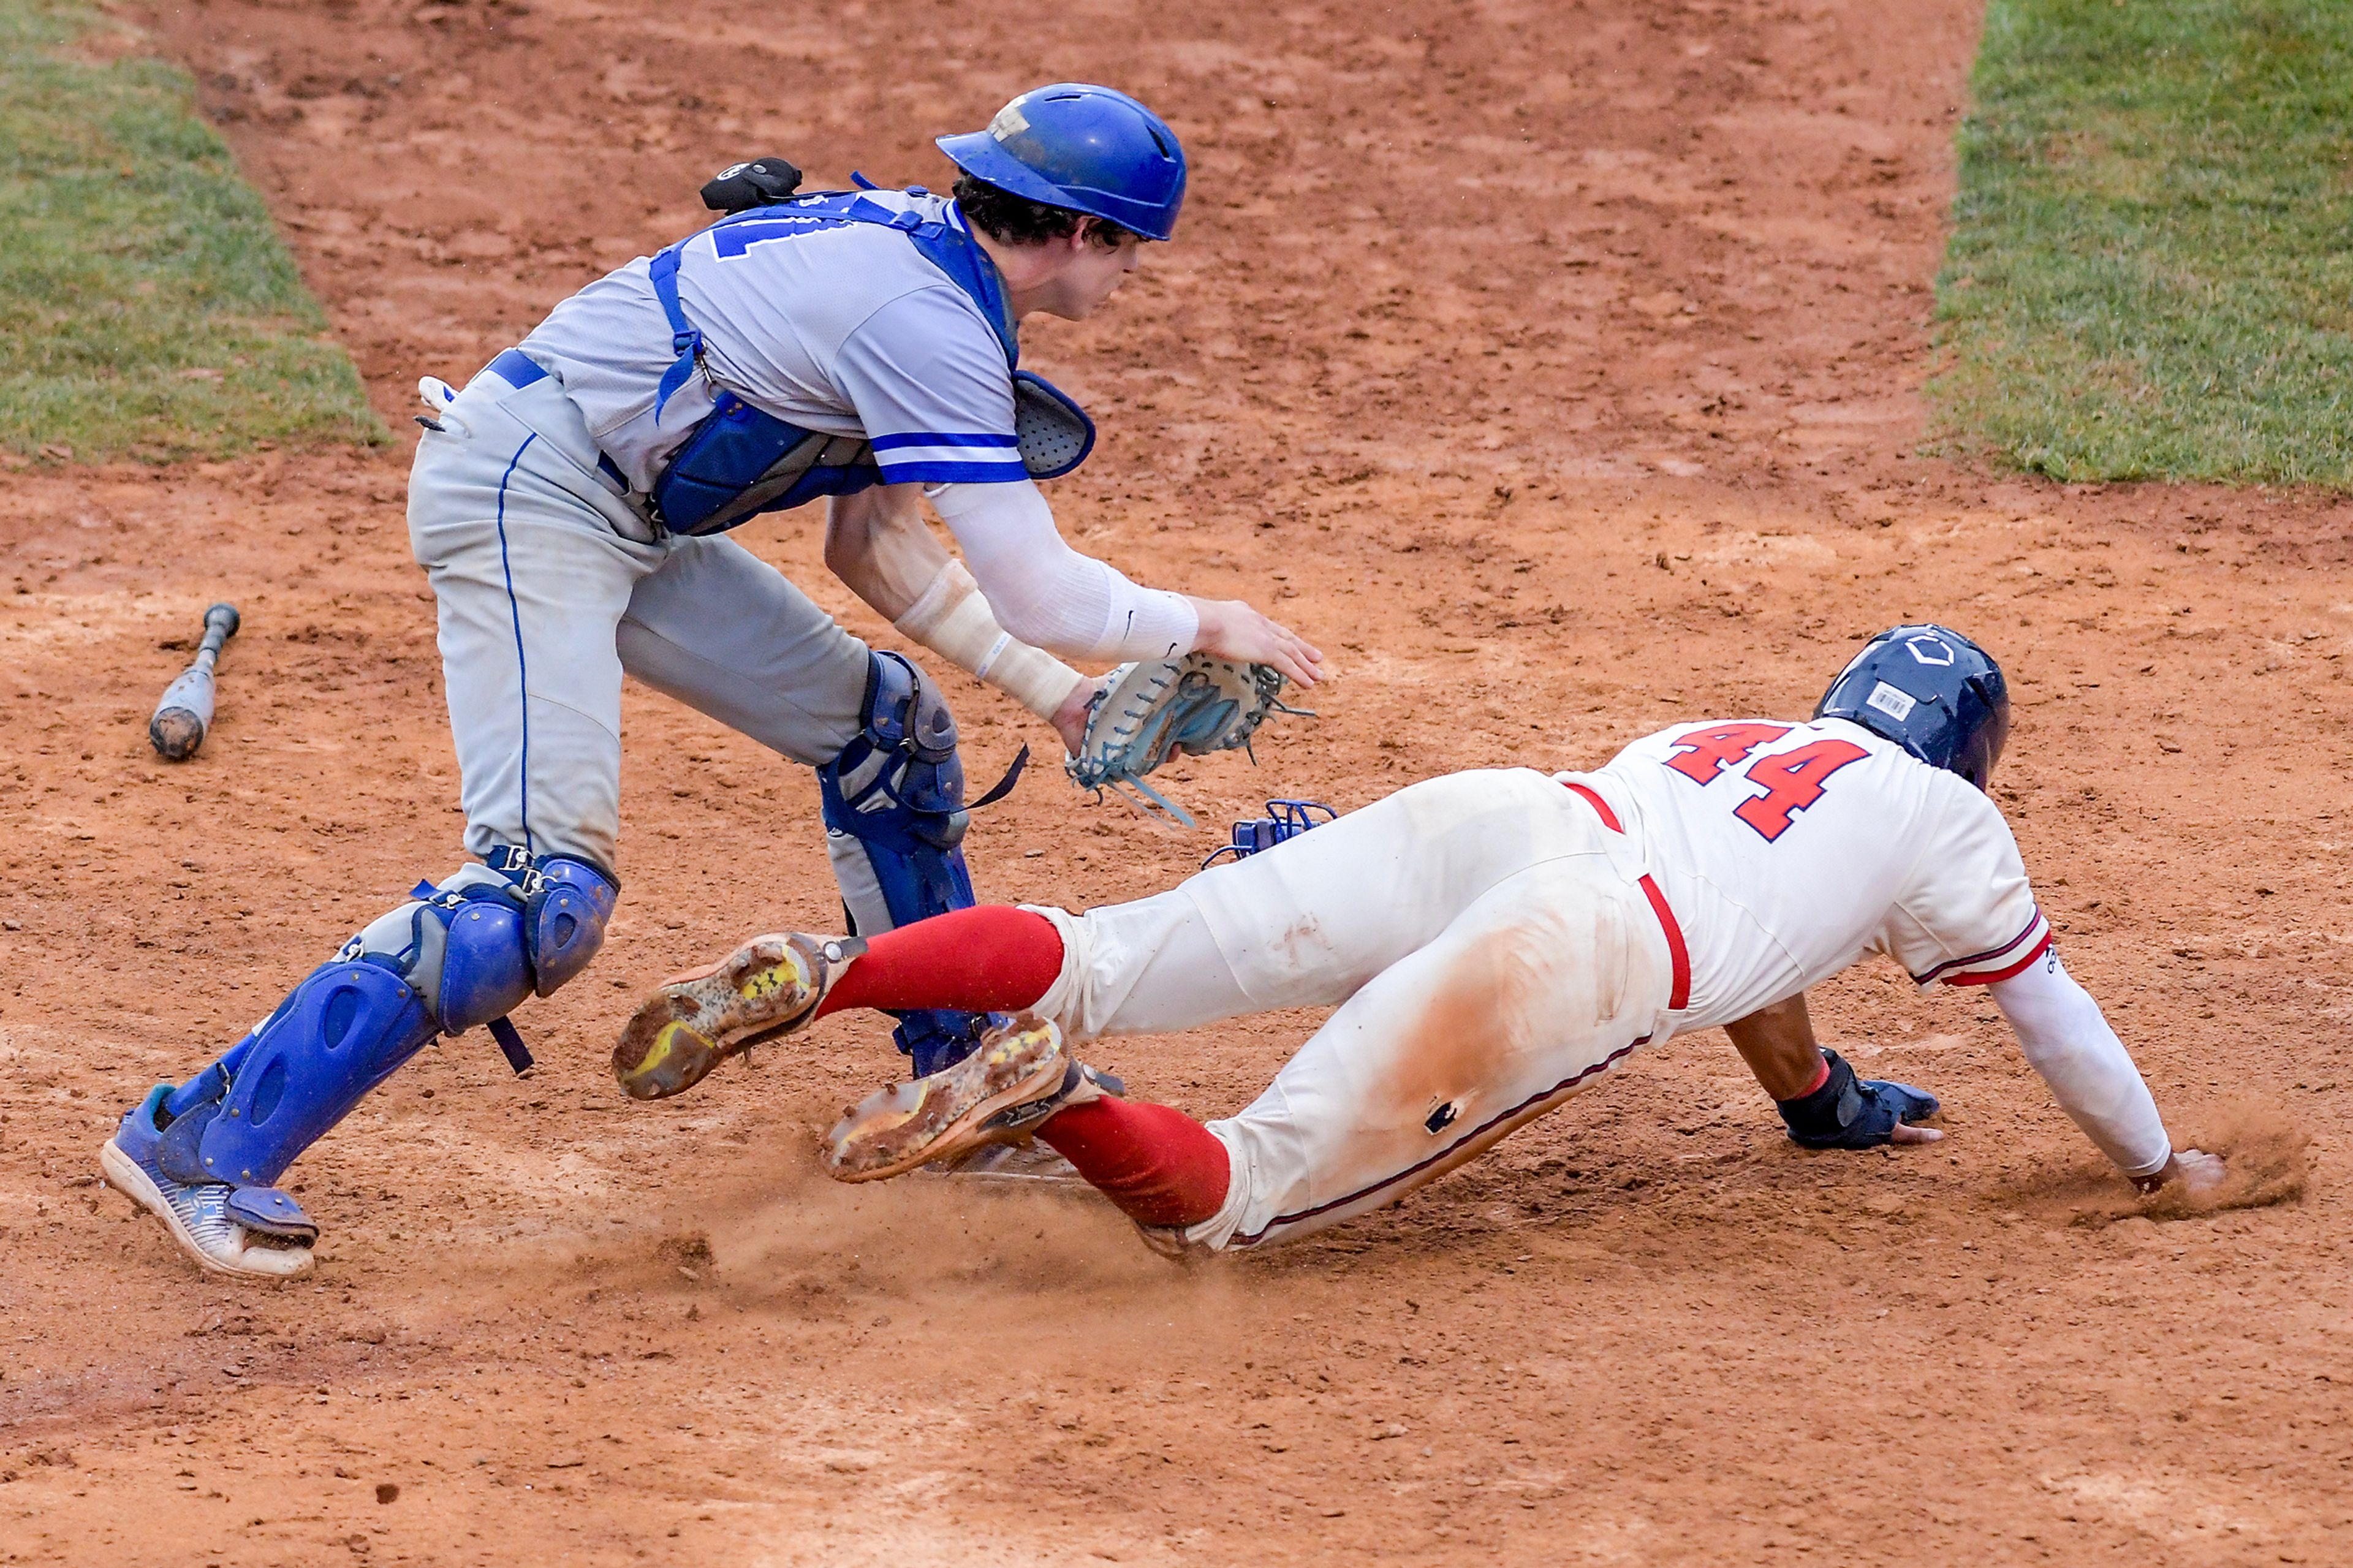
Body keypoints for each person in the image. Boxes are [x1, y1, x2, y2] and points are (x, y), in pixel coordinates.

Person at [100, 83, 1323, 1280]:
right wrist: (1212, 617)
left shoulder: (929, 264)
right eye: (1132, 250)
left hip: (625, 514)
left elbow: (875, 547)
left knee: (891, 738)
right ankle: (198, 1142)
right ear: (1081, 233)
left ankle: (961, 1093)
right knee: (539, 902)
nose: (1131, 275)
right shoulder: (926, 323)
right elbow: (1042, 589)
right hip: (531, 488)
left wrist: (1057, 696)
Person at [626, 624, 2224, 1255]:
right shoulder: (1945, 822)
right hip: (1586, 940)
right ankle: (1056, 1096)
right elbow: (2055, 1022)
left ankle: (838, 972)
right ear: (1966, 752)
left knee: (1101, 947)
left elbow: (1777, 956)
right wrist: (2158, 1164)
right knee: (1235, 1202)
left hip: (1505, 817)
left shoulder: (1729, 735)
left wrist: (1813, 1104)